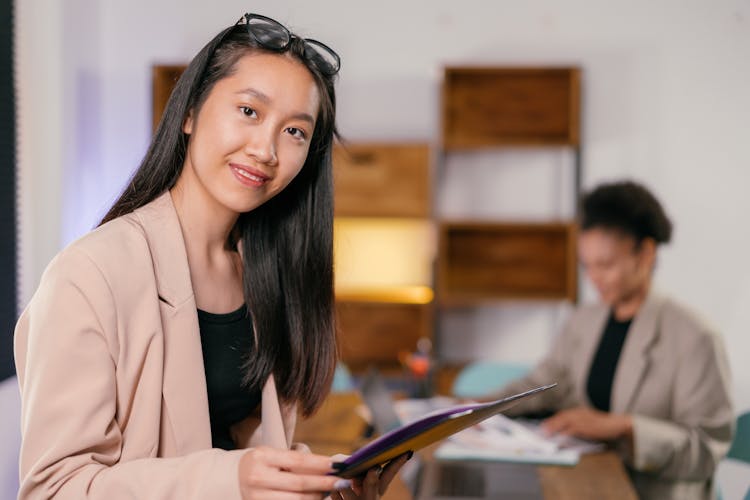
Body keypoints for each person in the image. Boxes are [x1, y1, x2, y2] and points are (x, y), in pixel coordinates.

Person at [14, 12, 407, 500]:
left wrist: (322, 488)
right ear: (190, 113)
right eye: (249, 111)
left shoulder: (262, 271)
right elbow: (54, 489)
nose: (266, 149)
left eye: (295, 132)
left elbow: (242, 444)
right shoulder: (89, 274)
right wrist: (232, 481)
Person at [490, 180, 733, 500]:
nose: (594, 278)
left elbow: (705, 451)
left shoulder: (695, 338)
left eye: (605, 265)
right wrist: (480, 408)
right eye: (587, 266)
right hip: (583, 485)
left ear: (645, 254)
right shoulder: (584, 320)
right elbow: (545, 381)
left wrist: (624, 427)